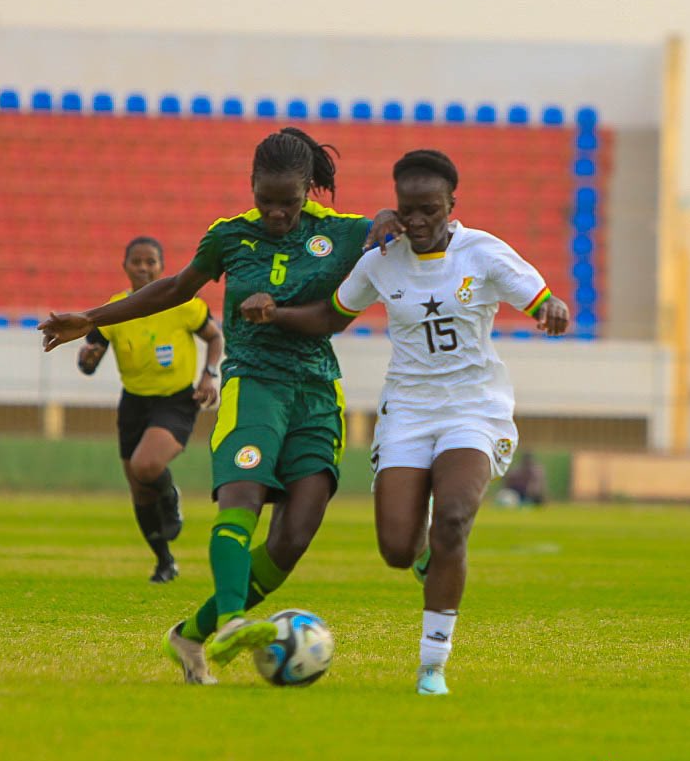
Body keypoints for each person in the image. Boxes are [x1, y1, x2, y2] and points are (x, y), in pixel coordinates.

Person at [39, 127, 401, 684]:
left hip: (317, 392)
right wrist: (91, 319)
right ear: (251, 186)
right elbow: (176, 287)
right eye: (266, 199)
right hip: (253, 384)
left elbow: (383, 221)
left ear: (308, 190)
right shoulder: (229, 237)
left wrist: (384, 219)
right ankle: (232, 618)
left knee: (291, 539)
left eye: (289, 201)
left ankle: (190, 634)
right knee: (242, 496)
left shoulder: (340, 234)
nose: (277, 212)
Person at [240, 149, 570, 695]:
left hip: (473, 407)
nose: (416, 221)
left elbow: (541, 297)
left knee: (453, 520)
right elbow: (329, 317)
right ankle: (424, 558)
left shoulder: (483, 253)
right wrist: (275, 312)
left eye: (429, 210)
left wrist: (550, 307)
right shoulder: (381, 259)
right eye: (407, 209)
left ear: (451, 206)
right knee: (397, 548)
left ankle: (431, 666)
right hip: (409, 410)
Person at [77, 236, 224, 584]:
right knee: (139, 488)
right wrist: (87, 360)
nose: (144, 268)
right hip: (134, 403)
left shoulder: (181, 303)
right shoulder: (115, 309)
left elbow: (215, 337)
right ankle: (163, 561)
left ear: (161, 266)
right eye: (137, 262)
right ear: (125, 266)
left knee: (147, 465)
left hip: (175, 400)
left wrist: (209, 374)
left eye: (151, 262)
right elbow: (90, 355)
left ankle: (170, 497)